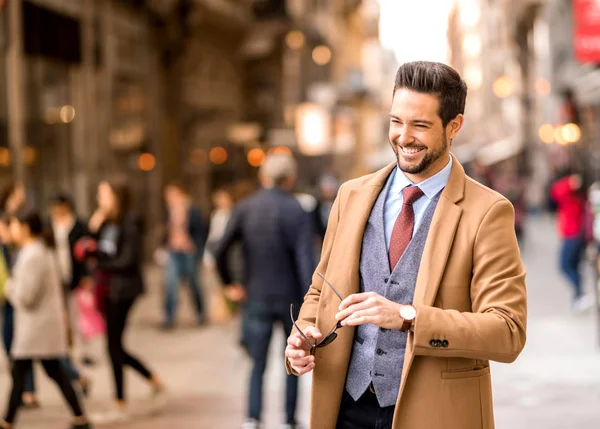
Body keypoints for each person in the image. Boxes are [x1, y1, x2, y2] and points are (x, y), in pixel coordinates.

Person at [285, 61, 527, 429]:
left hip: (436, 412)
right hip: (346, 410)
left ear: (454, 126)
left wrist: (407, 317)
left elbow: (507, 332)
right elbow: (322, 290)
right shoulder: (351, 196)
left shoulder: (488, 212)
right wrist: (303, 334)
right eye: (396, 121)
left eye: (420, 125)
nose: (403, 136)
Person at [214, 153, 315, 429]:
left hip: (255, 294)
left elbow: (220, 249)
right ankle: (288, 420)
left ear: (263, 177)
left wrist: (229, 285)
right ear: (291, 178)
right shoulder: (297, 209)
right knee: (293, 359)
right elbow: (306, 260)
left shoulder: (245, 208)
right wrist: (312, 303)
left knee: (257, 362)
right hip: (291, 299)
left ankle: (252, 418)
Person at [0, 211, 91, 429]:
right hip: (41, 328)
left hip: (35, 329)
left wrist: (8, 287)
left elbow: (26, 297)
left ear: (25, 228)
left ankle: (6, 422)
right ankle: (80, 417)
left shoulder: (33, 255)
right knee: (53, 372)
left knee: (22, 374)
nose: (10, 231)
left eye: (13, 226)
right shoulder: (39, 251)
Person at [87, 179, 164, 422]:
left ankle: (120, 400)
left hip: (123, 289)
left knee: (113, 345)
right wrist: (94, 228)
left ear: (116, 196)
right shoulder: (109, 223)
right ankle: (150, 381)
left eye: (104, 194)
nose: (100, 200)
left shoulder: (130, 221)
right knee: (114, 345)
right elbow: (97, 249)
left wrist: (100, 264)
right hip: (109, 288)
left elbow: (128, 259)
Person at [49, 193, 92, 393]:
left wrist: (86, 275)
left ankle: (78, 354)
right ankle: (74, 366)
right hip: (54, 278)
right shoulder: (50, 225)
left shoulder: (78, 225)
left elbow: (86, 251)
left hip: (73, 277)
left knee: (75, 317)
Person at [0, 183, 37, 409]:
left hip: (16, 292)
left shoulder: (33, 250)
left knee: (20, 345)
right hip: (10, 290)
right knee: (13, 343)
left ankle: (26, 393)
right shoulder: (8, 218)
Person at [162, 181, 208, 329]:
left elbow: (201, 229)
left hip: (189, 251)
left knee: (193, 283)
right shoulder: (169, 211)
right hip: (174, 250)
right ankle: (169, 317)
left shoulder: (191, 210)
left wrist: (195, 245)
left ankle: (200, 313)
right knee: (171, 284)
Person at [550, 172, 594, 312]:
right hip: (577, 237)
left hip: (572, 237)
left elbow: (555, 190)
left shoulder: (572, 200)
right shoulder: (579, 199)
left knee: (565, 266)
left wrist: (570, 181)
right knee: (574, 267)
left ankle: (580, 295)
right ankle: (579, 297)